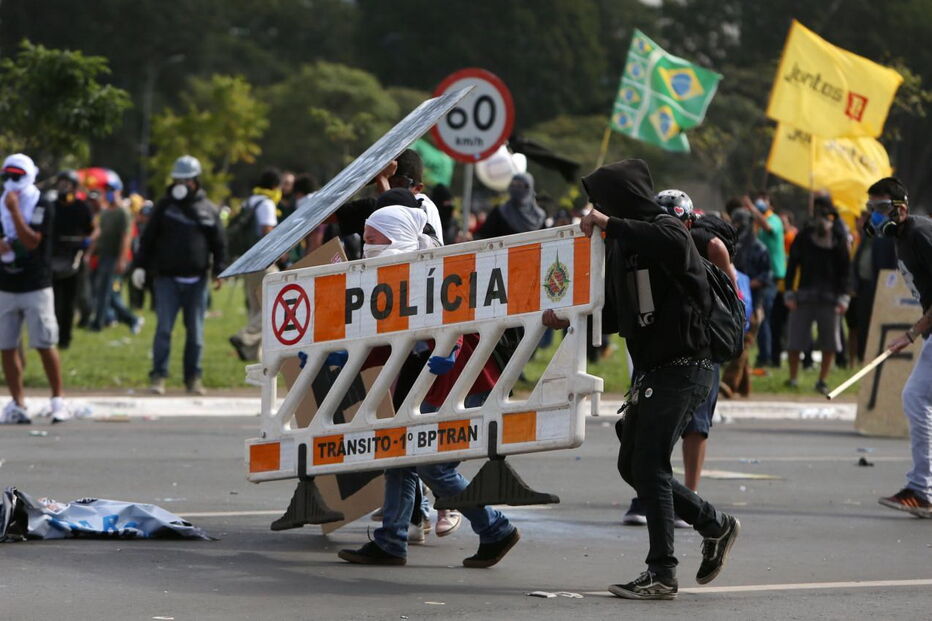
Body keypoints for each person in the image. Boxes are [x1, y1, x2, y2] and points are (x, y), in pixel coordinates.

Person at [545, 160, 738, 600]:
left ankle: (662, 573)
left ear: (622, 200)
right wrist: (568, 316)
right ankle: (715, 524)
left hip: (688, 363)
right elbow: (615, 311)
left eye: (602, 201)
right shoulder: (621, 248)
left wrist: (610, 222)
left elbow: (670, 239)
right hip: (653, 367)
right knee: (632, 465)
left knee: (649, 465)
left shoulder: (665, 227)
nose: (594, 209)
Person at [338, 204, 519, 567]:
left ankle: (496, 529)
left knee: (432, 467)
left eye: (375, 239)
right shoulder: (387, 276)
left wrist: (447, 346)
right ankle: (391, 541)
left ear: (398, 237)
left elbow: (457, 317)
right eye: (367, 239)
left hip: (463, 383)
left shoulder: (430, 271)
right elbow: (388, 339)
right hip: (430, 385)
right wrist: (346, 358)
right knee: (401, 459)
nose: (368, 246)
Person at [864, 177, 932, 518]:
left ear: (899, 209)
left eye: (879, 210)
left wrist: (912, 333)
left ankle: (921, 490)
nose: (873, 217)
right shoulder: (902, 238)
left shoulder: (919, 233)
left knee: (916, 397)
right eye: (869, 210)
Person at [133, 155, 227, 395]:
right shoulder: (164, 207)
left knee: (195, 334)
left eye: (185, 180)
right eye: (177, 180)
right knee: (163, 329)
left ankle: (193, 378)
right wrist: (140, 266)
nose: (180, 184)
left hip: (196, 281)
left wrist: (219, 271)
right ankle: (158, 376)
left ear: (195, 181)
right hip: (167, 280)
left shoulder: (207, 209)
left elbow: (219, 243)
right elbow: (148, 239)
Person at [0, 154, 70, 424]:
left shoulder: (41, 203)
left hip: (35, 283)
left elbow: (32, 242)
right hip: (6, 283)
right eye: (6, 177)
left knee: (43, 342)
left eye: (16, 176)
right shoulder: (2, 203)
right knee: (6, 346)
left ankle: (57, 400)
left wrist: (15, 211)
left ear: (28, 175)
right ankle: (18, 403)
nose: (11, 182)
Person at [784, 197, 850, 395]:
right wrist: (789, 292)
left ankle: (822, 380)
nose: (823, 220)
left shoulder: (839, 238)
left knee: (829, 341)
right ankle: (793, 378)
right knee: (795, 339)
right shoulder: (804, 236)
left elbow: (846, 270)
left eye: (827, 215)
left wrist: (844, 297)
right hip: (804, 295)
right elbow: (792, 265)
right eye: (820, 213)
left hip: (830, 298)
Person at [229, 168, 281, 362]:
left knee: (255, 307)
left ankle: (253, 354)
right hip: (264, 261)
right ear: (275, 186)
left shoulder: (250, 201)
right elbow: (268, 231)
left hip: (247, 261)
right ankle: (245, 336)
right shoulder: (267, 204)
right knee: (277, 304)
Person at [721, 208, 772, 397]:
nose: (736, 227)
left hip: (754, 303)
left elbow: (767, 276)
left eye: (739, 223)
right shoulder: (732, 246)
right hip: (734, 302)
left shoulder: (759, 248)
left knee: (744, 342)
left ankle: (729, 383)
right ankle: (744, 388)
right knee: (743, 343)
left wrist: (746, 284)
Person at [87, 173, 141, 334]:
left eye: (112, 190)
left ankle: (100, 323)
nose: (109, 193)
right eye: (107, 190)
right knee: (104, 291)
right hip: (103, 256)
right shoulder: (105, 212)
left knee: (107, 292)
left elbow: (126, 237)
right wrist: (90, 252)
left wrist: (121, 259)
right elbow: (99, 234)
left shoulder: (123, 212)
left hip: (115, 257)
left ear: (119, 191)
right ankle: (129, 319)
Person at [49, 170, 96, 350]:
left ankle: (65, 339)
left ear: (75, 187)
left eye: (68, 184)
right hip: (52, 258)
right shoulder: (51, 206)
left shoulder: (82, 207)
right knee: (52, 302)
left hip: (73, 260)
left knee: (69, 302)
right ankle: (51, 336)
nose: (64, 187)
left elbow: (91, 230)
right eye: (61, 183)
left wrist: (86, 246)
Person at [745, 192, 785, 371]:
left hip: (772, 276)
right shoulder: (757, 223)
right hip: (760, 276)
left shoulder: (774, 219)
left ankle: (766, 357)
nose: (760, 203)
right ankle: (764, 355)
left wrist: (753, 209)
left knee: (765, 317)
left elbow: (769, 227)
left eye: (764, 199)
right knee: (762, 317)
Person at [475, 172, 545, 239]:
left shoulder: (540, 217)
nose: (516, 189)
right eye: (513, 185)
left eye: (520, 186)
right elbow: (483, 237)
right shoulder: (499, 213)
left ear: (529, 188)